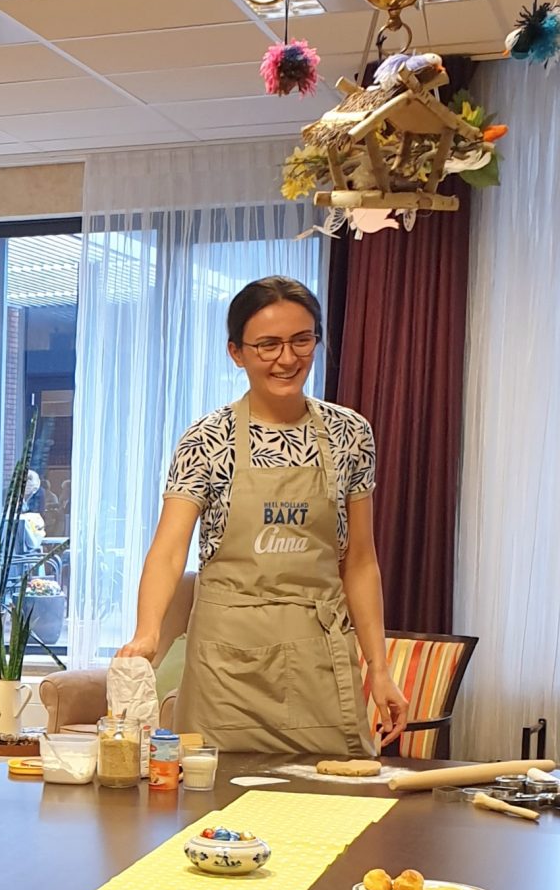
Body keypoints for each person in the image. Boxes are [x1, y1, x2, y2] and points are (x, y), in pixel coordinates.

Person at [116, 276, 407, 759]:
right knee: (212, 816)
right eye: (268, 344)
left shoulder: (350, 433)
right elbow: (169, 551)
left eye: (301, 340)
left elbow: (359, 561)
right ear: (237, 352)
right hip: (225, 671)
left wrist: (379, 668)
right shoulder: (208, 438)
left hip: (319, 661)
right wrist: (147, 633)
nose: (287, 359)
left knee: (332, 808)